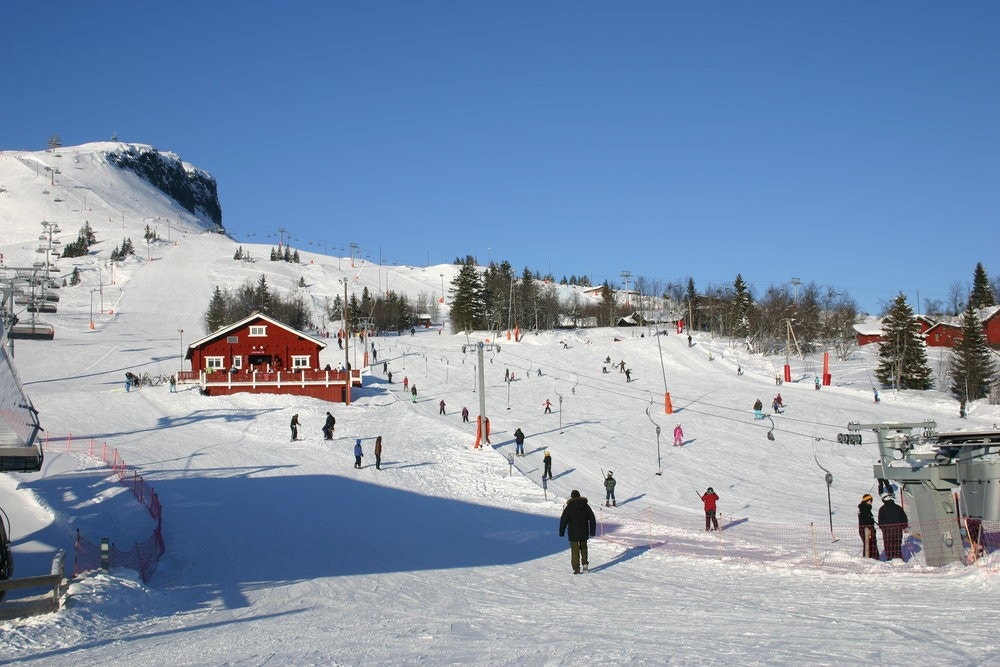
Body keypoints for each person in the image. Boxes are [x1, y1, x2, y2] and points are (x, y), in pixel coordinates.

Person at [559, 489, 597, 574]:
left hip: (573, 532)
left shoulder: (569, 507)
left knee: (575, 550)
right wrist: (592, 531)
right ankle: (585, 564)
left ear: (572, 497)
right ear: (579, 496)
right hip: (584, 531)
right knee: (584, 547)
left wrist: (561, 532)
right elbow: (592, 519)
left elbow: (563, 520)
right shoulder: (586, 506)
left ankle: (576, 568)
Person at [878, 493, 909, 560]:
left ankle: (890, 560)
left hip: (887, 532)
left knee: (888, 546)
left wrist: (883, 528)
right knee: (897, 545)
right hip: (897, 531)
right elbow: (904, 519)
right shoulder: (898, 508)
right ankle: (898, 559)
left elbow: (880, 522)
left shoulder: (882, 509)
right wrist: (904, 527)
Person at [858, 493, 879, 559]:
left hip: (867, 529)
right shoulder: (865, 509)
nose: (871, 502)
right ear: (867, 501)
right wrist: (870, 529)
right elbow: (866, 520)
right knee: (870, 544)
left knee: (869, 544)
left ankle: (871, 558)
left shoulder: (865, 508)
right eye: (870, 501)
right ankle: (870, 559)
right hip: (867, 530)